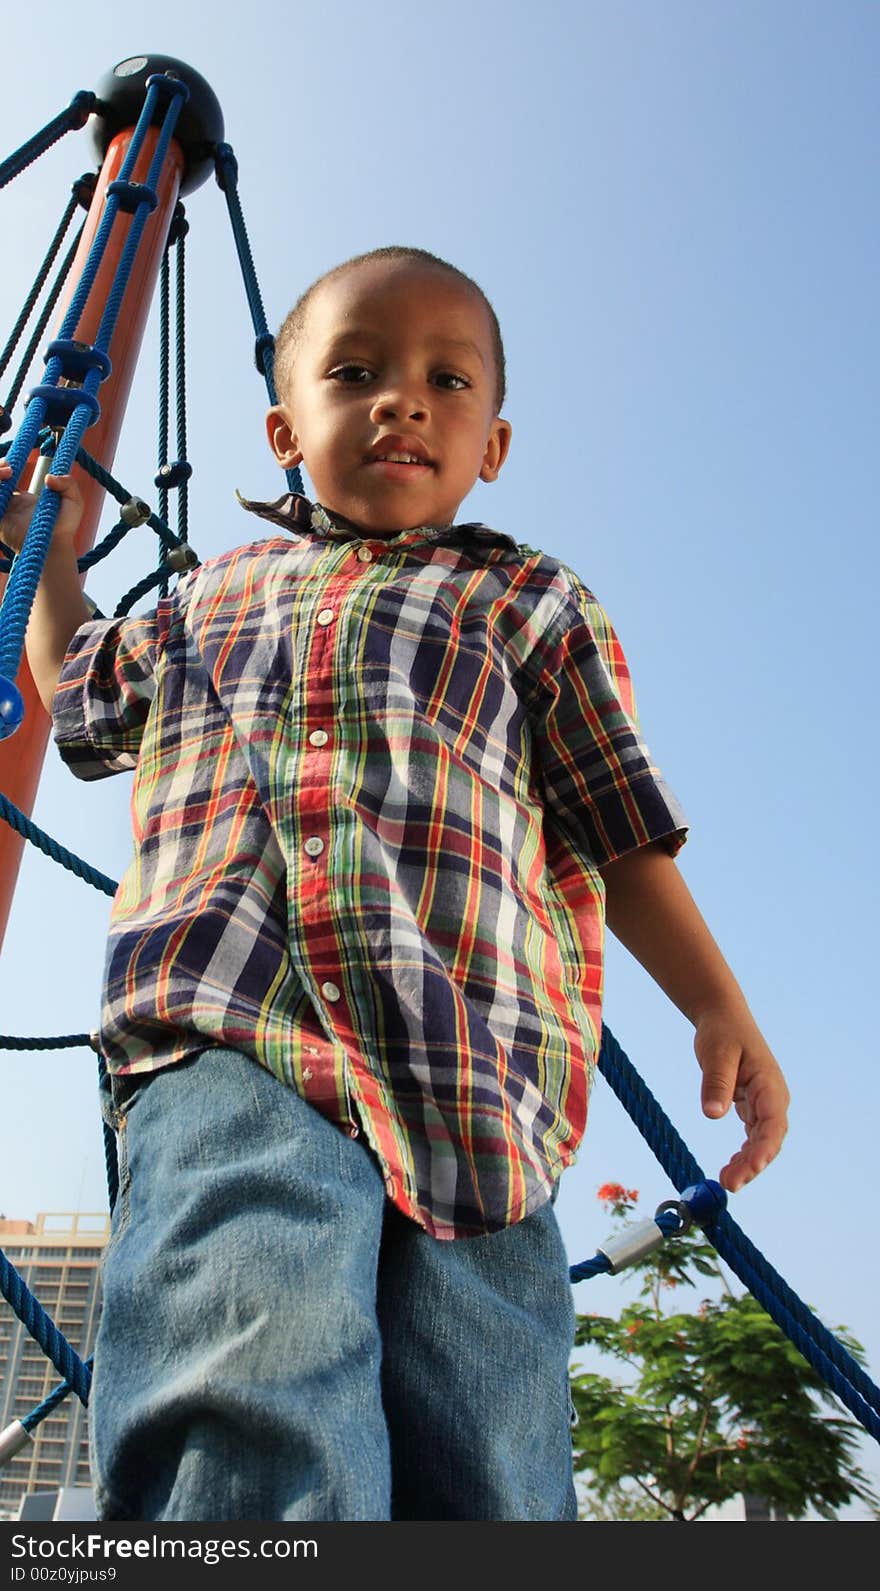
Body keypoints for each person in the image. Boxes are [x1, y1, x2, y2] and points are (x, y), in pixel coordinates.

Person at [0, 245, 789, 1522]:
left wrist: (715, 1001)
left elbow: (620, 825)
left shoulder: (527, 600)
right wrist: (43, 556)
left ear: (494, 443)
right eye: (355, 371)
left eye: (446, 380)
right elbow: (80, 692)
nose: (401, 402)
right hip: (232, 1027)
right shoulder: (209, 596)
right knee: (243, 1359)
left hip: (474, 1065)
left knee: (487, 1444)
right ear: (283, 427)